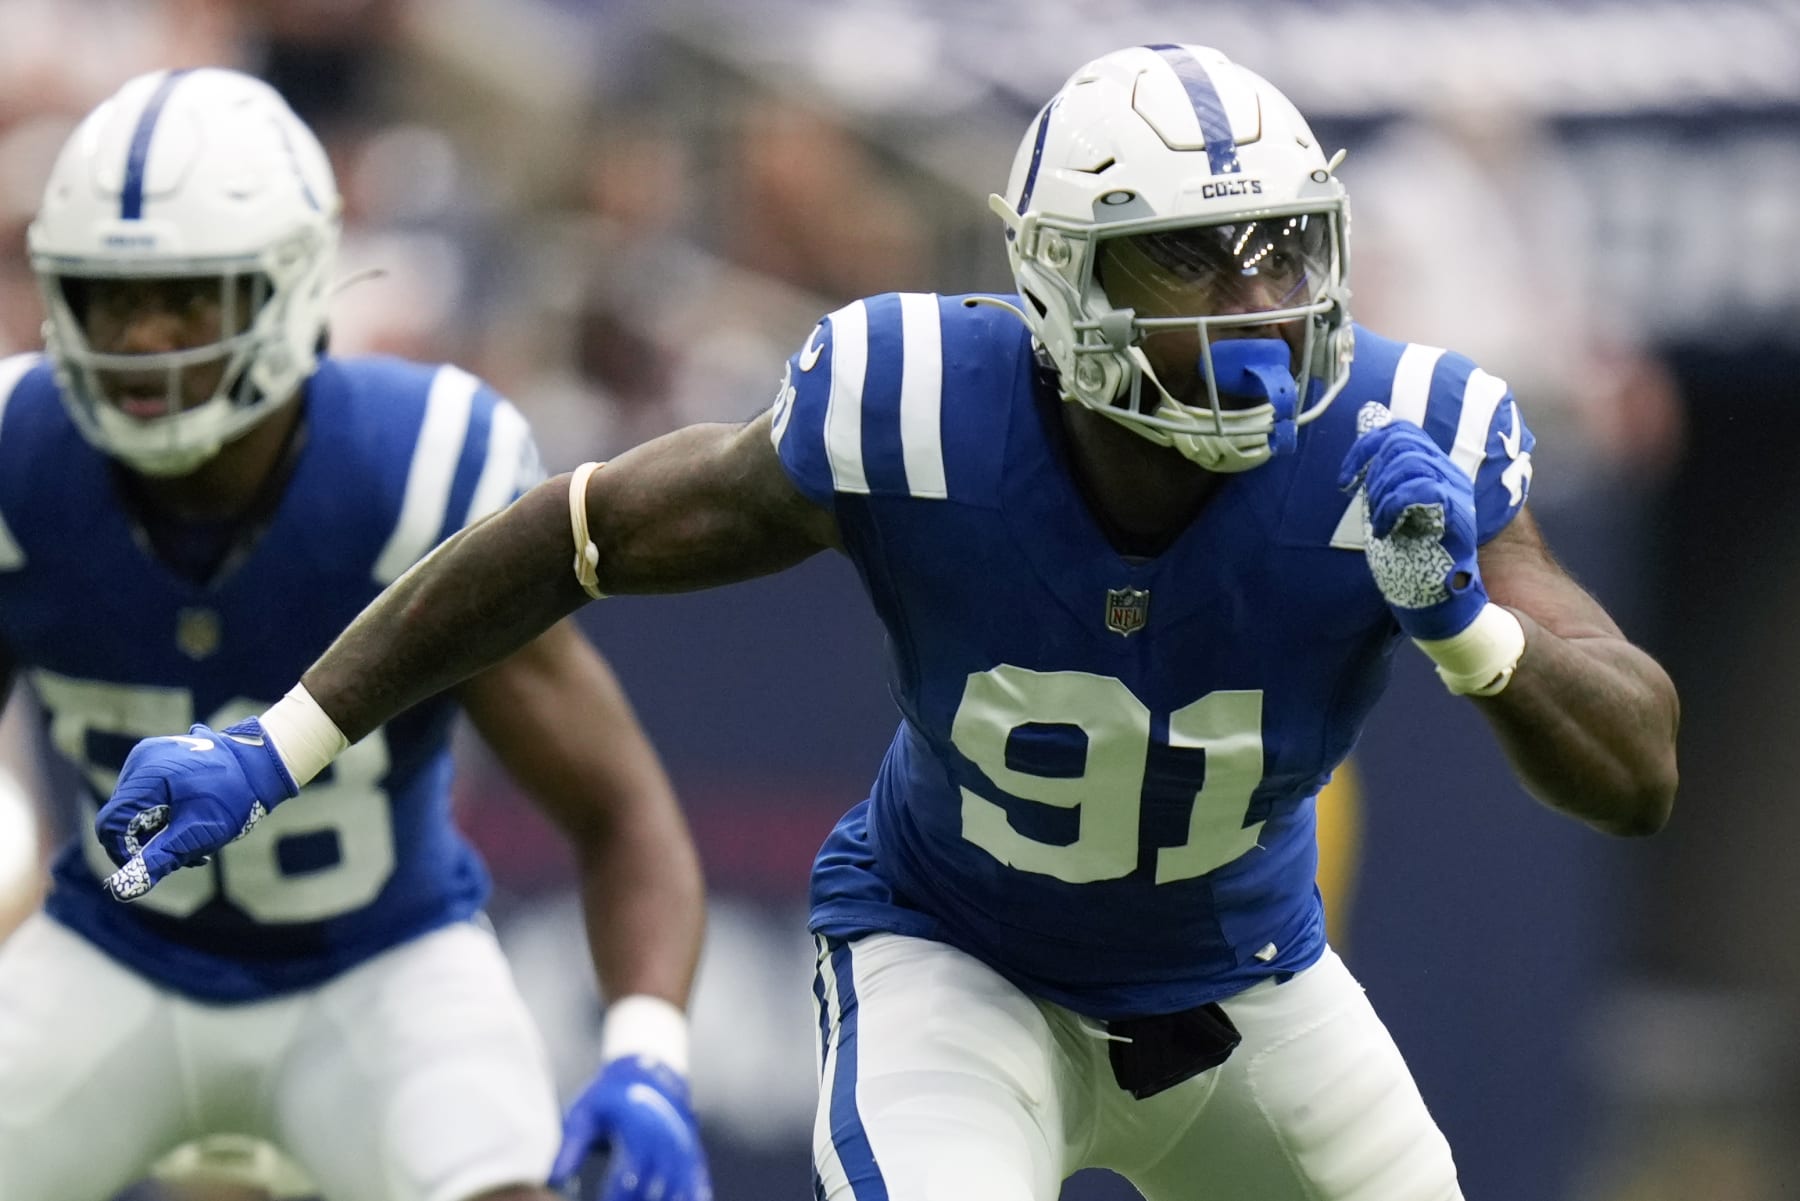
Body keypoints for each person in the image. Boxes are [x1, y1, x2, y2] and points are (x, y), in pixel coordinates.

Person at [97, 45, 1680, 1201]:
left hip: (1252, 980)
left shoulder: (1404, 440)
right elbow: (570, 537)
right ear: (1063, 281)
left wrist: (1469, 626)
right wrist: (286, 738)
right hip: (957, 964)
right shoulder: (916, 410)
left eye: (1279, 247)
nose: (1251, 301)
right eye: (1185, 255)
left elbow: (1638, 770)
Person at [0, 68, 711, 1201]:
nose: (141, 338)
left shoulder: (413, 467)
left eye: (187, 298)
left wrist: (646, 1053)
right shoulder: (17, 456)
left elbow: (616, 806)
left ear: (283, 286)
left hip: (379, 972)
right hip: (113, 955)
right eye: (108, 297)